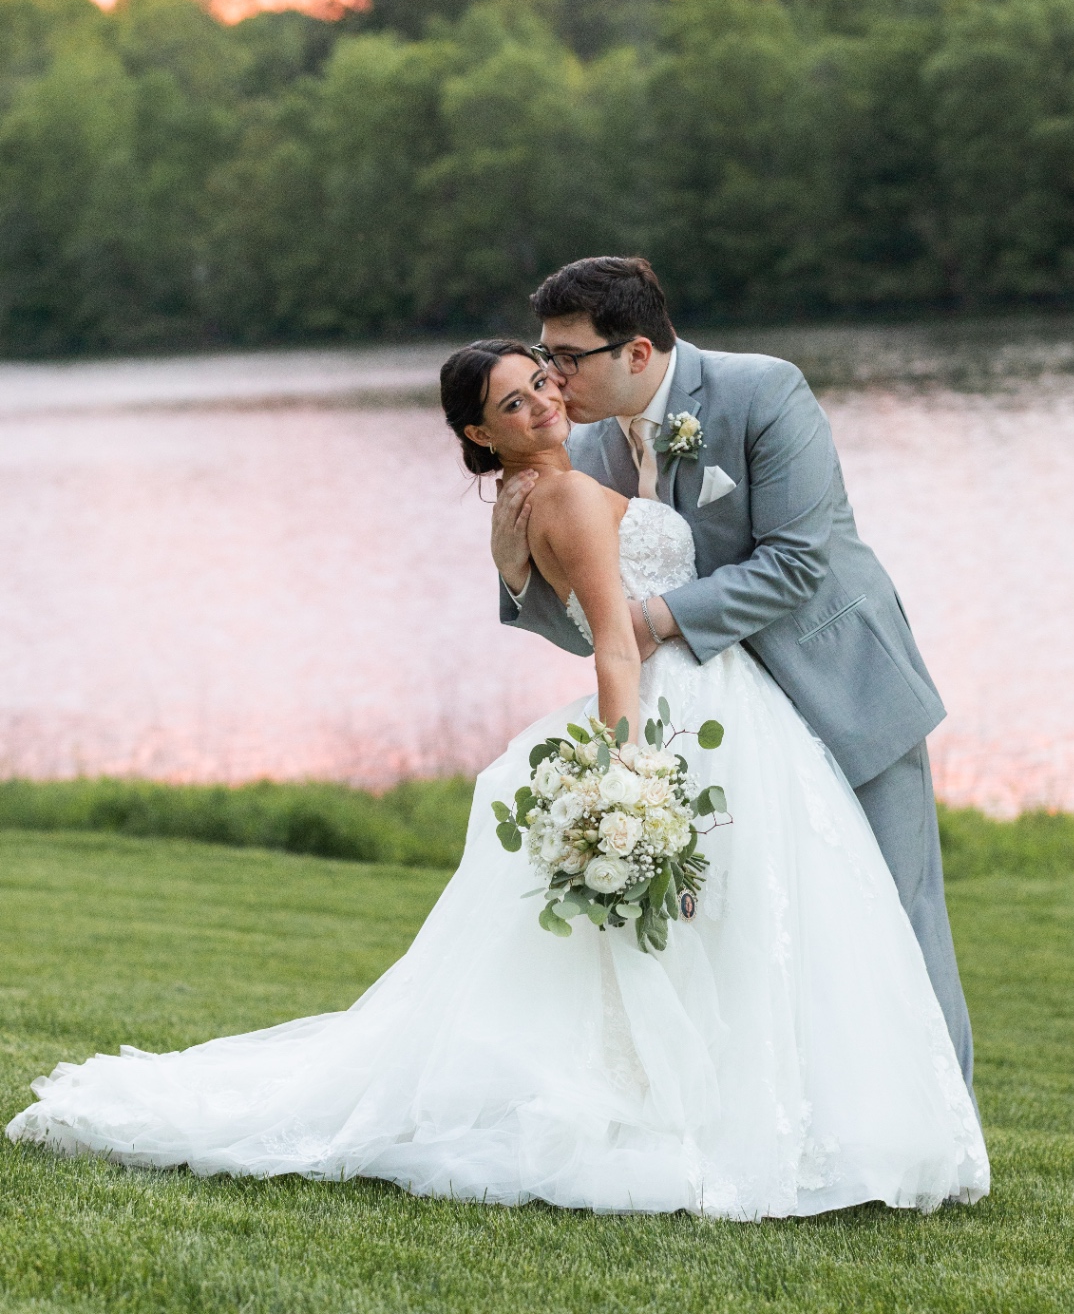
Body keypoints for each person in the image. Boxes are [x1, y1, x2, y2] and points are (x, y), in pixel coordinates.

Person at [7, 337, 988, 1219]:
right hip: (679, 709)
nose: (544, 402)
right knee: (759, 916)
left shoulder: (525, 499)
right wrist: (627, 778)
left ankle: (752, 1098)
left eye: (541, 381)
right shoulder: (559, 491)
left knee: (729, 927)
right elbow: (610, 647)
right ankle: (773, 1113)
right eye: (515, 402)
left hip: (717, 699)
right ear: (480, 434)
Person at [494, 255, 975, 1087]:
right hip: (724, 731)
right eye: (545, 357)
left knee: (896, 914)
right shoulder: (590, 456)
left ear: (636, 353)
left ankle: (946, 1123)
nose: (552, 378)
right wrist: (515, 576)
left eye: (567, 358)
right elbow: (594, 634)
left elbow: (795, 563)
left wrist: (648, 621)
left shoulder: (764, 392)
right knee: (767, 927)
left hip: (841, 690)